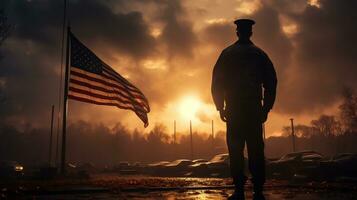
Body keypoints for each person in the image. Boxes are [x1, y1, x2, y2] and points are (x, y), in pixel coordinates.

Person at [211, 19, 277, 200]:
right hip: (253, 110)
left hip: (235, 110)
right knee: (256, 149)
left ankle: (239, 190)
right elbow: (271, 83)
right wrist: (266, 108)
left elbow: (217, 83)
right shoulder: (260, 55)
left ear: (237, 32)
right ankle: (258, 190)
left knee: (235, 149)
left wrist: (220, 107)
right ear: (251, 33)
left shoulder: (227, 54)